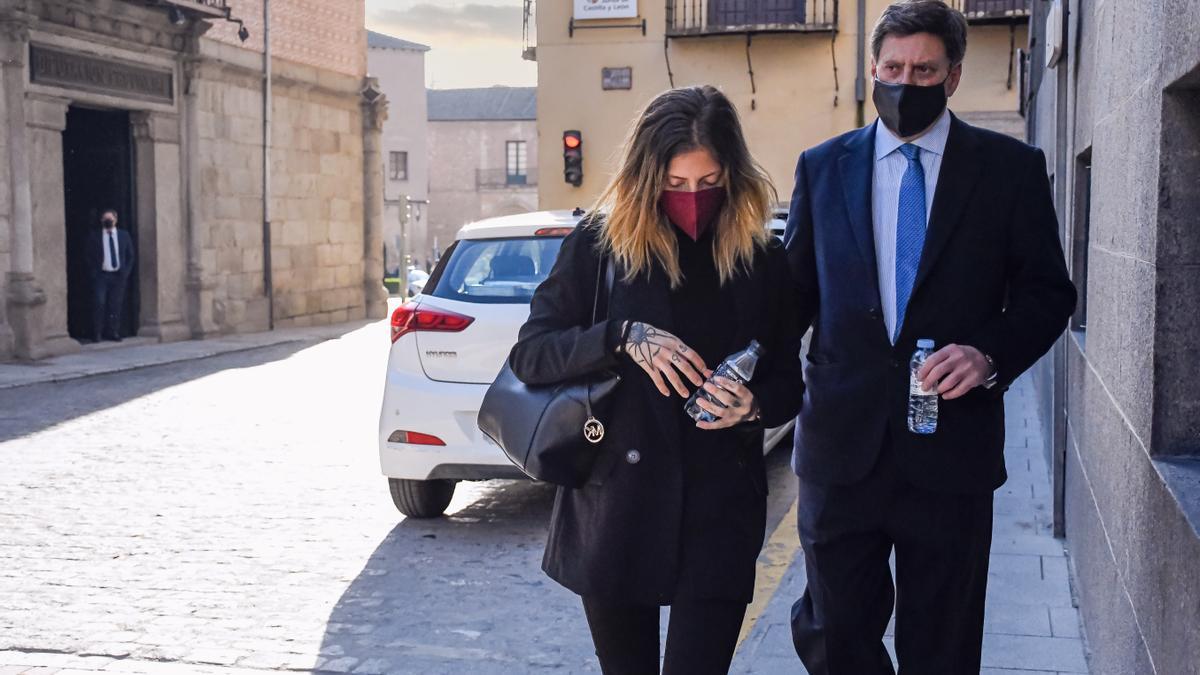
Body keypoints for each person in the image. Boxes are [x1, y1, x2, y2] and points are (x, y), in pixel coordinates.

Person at [783, 2, 1078, 673]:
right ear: (873, 67)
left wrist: (988, 354)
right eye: (892, 68)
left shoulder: (1010, 170)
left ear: (952, 78)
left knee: (942, 646)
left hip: (952, 454)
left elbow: (1048, 293)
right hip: (840, 449)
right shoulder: (822, 167)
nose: (904, 82)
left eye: (923, 70)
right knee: (834, 634)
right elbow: (789, 300)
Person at [509, 86, 804, 674]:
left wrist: (751, 405)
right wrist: (621, 337)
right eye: (675, 185)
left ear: (733, 174)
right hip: (618, 506)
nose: (693, 199)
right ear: (648, 178)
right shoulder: (601, 244)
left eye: (708, 182)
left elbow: (789, 380)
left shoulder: (758, 257)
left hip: (721, 509)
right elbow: (531, 354)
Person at [87, 209, 135, 342]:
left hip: (118, 276)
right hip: (101, 276)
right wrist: (94, 273)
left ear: (116, 220)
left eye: (110, 219)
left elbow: (130, 256)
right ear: (102, 221)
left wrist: (125, 273)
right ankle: (97, 333)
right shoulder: (95, 236)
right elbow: (89, 256)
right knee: (100, 303)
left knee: (115, 305)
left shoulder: (124, 235)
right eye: (105, 219)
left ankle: (113, 332)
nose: (108, 221)